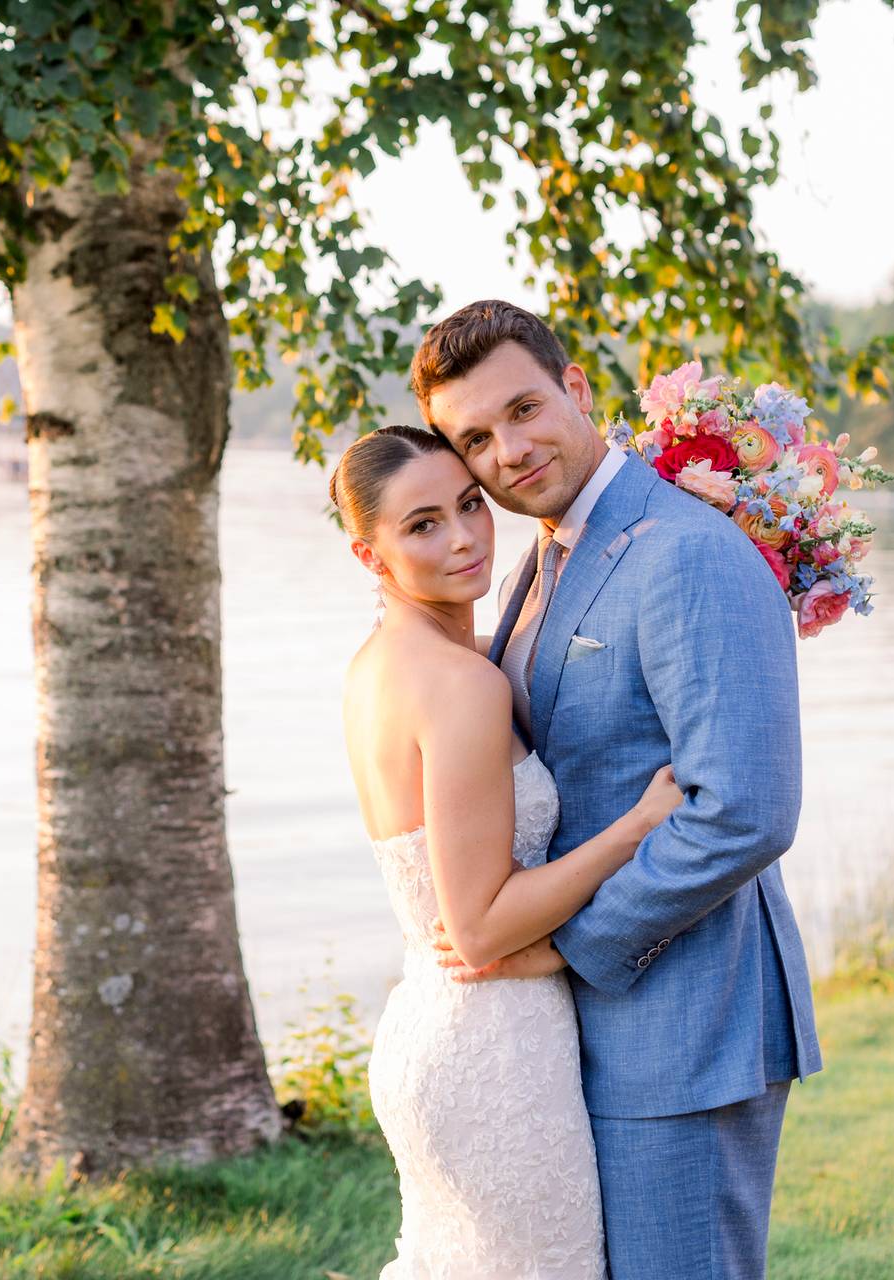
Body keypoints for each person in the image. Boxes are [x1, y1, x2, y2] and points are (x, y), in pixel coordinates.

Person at [416, 300, 822, 1280]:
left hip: (688, 1026)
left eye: (523, 408)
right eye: (475, 437)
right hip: (582, 1035)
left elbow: (744, 809)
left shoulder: (688, 550)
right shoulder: (544, 558)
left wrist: (568, 943)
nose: (508, 449)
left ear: (578, 387)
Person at [334, 423, 685, 1278]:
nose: (461, 537)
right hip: (496, 1055)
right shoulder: (462, 685)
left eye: (467, 506)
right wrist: (634, 830)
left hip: (436, 1028)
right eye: (421, 525)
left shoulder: (381, 664)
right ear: (369, 554)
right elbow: (482, 925)